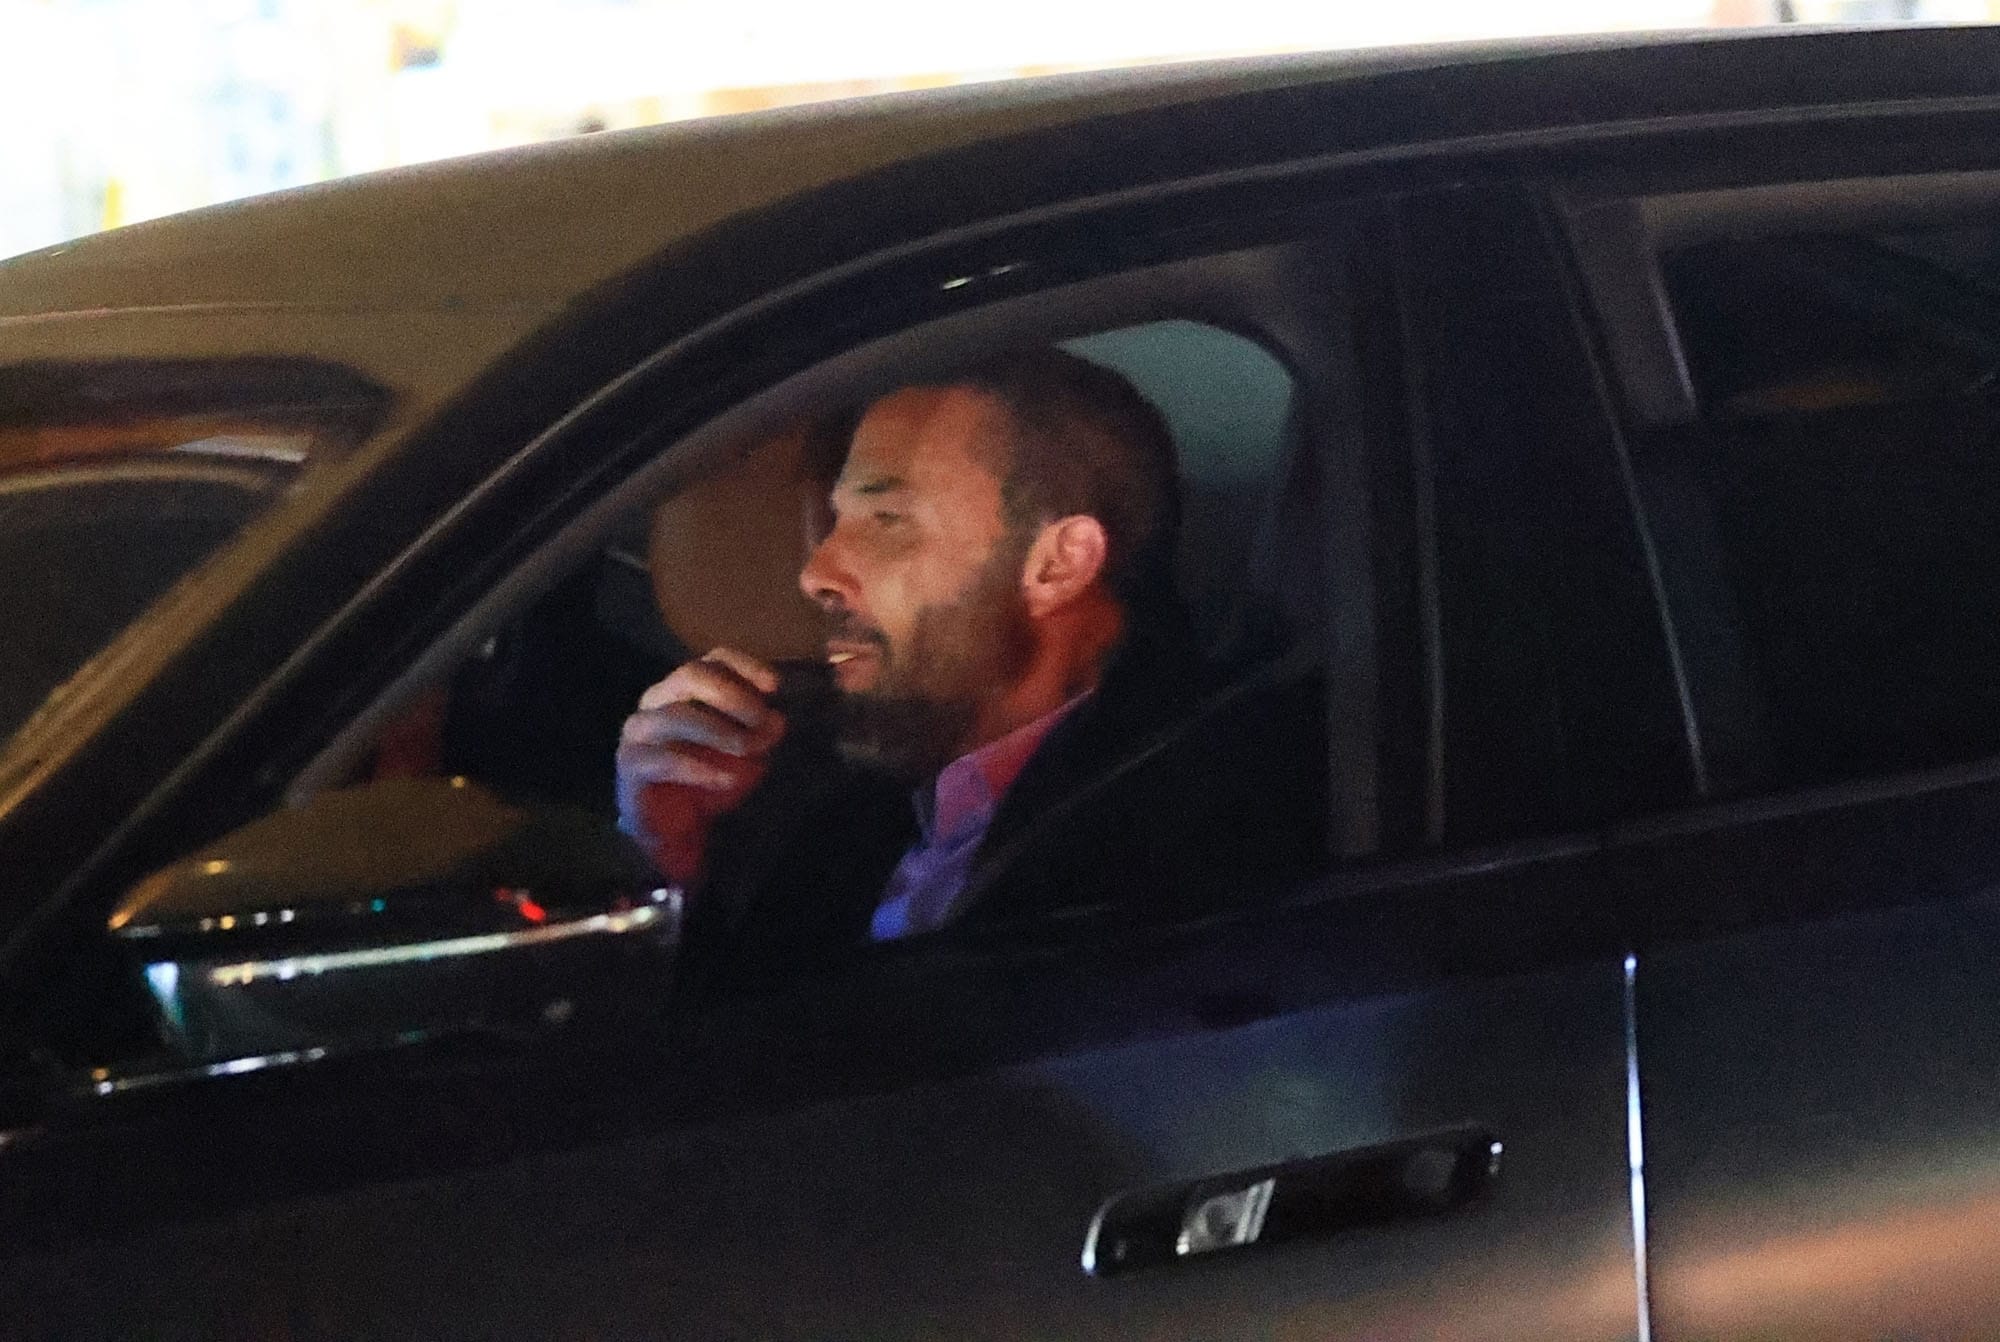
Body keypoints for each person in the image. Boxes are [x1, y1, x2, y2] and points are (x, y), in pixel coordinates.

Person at [616, 348, 1327, 978]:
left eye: (886, 519)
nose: (816, 573)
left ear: (1056, 564)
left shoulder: (1191, 851)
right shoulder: (854, 803)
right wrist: (675, 860)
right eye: (835, 523)